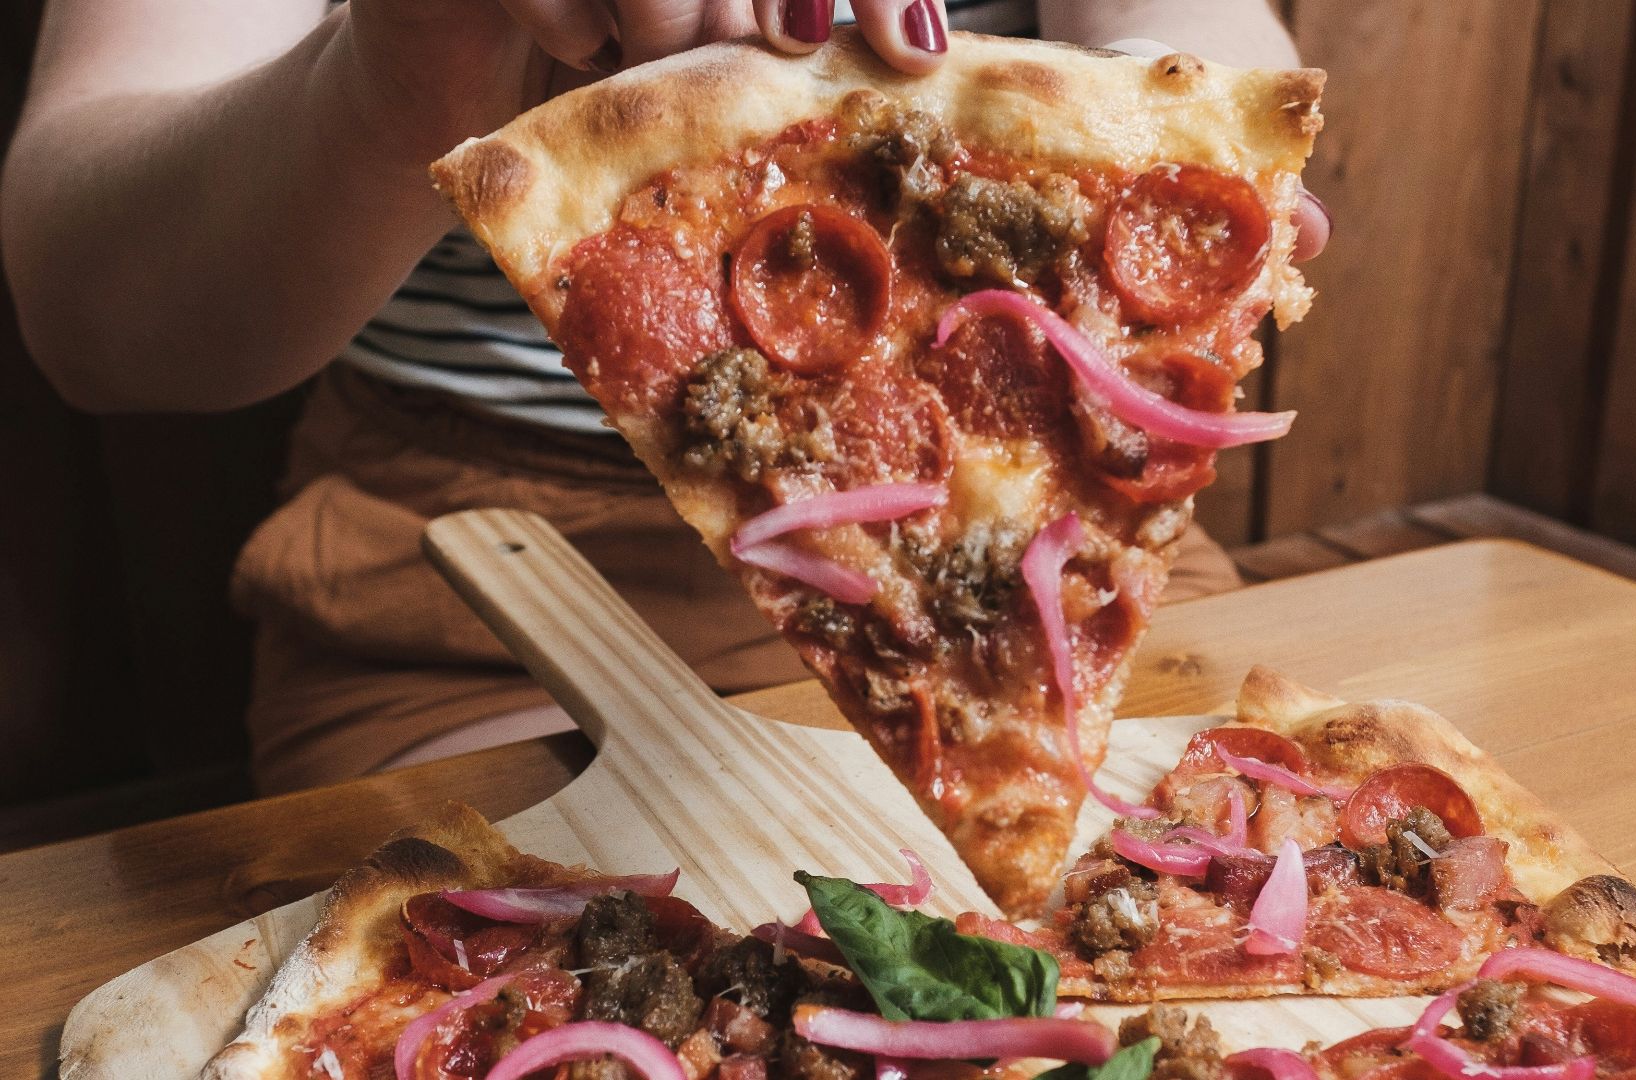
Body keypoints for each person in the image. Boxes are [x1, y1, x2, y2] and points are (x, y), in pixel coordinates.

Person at [3, 0, 1330, 792]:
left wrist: (1136, 150)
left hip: (1035, 547)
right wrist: (399, 75)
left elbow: (1199, 30)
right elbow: (92, 325)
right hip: (476, 600)